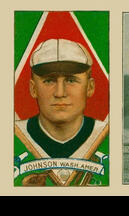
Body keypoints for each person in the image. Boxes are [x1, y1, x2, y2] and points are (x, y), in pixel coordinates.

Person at [14, 38, 108, 186]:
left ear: (89, 87)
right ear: (33, 89)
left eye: (71, 80)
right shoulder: (12, 136)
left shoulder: (109, 136)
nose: (60, 93)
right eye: (49, 80)